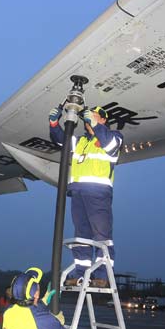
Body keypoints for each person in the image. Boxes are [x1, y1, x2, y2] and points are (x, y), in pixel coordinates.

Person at [49, 105, 124, 288]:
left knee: (101, 236)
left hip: (98, 193)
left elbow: (110, 144)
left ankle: (102, 275)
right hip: (78, 193)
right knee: (81, 235)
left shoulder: (114, 137)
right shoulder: (81, 141)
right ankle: (81, 273)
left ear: (104, 120)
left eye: (96, 116)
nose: (90, 118)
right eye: (89, 116)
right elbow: (62, 141)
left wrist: (95, 125)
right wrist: (54, 124)